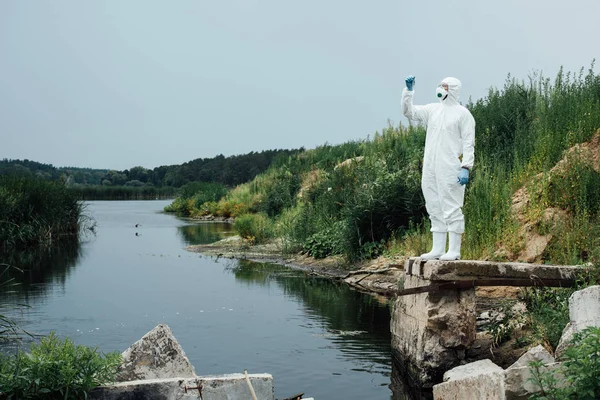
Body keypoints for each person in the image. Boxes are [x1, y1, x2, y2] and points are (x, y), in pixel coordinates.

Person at [402, 75, 475, 260]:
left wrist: (466, 166)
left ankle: (455, 250)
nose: (440, 89)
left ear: (453, 89)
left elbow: (468, 142)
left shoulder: (463, 114)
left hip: (450, 166)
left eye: (444, 86)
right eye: (440, 85)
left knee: (451, 205)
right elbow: (409, 112)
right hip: (430, 166)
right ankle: (438, 248)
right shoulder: (433, 110)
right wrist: (408, 92)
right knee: (433, 204)